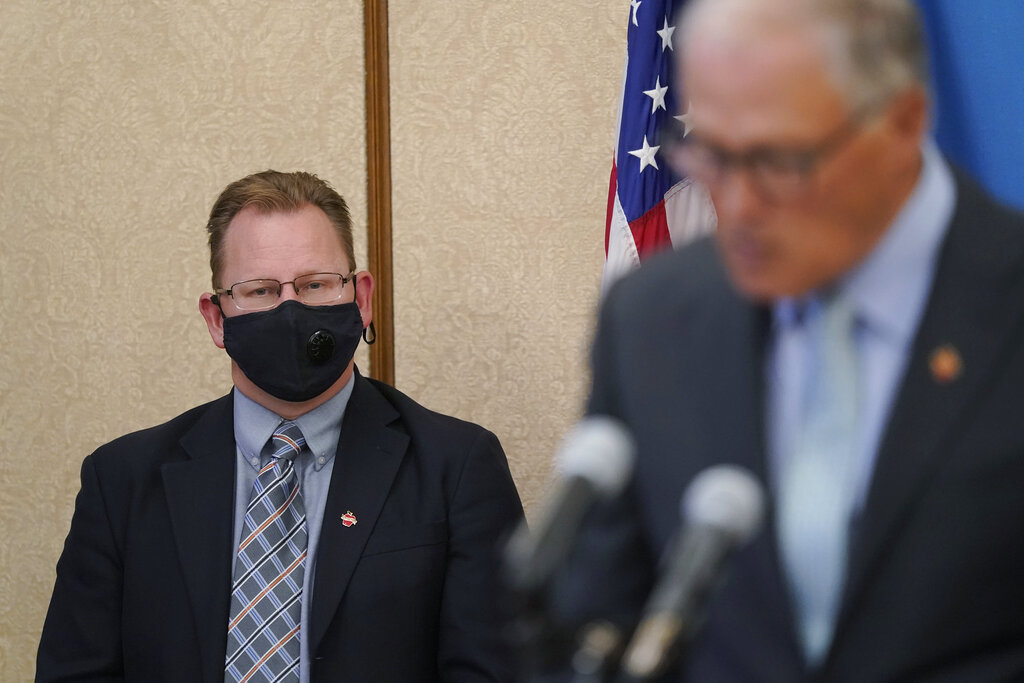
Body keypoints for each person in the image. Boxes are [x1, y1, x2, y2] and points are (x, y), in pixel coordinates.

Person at [554, 0, 1024, 680]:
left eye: (777, 159)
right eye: (711, 154)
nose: (737, 205)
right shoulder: (654, 318)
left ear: (902, 121)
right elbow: (596, 621)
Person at [37, 170, 525, 682]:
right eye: (261, 290)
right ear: (216, 318)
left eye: (315, 284)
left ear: (361, 299)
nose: (290, 310)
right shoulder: (122, 481)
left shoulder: (459, 466)